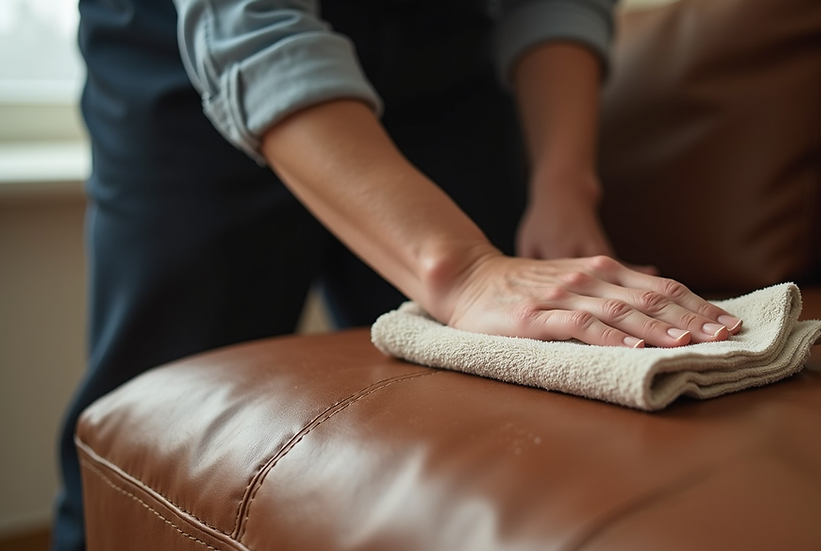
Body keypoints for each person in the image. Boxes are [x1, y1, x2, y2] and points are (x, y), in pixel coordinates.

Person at [53, 0, 743, 548]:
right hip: (193, 53)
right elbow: (255, 30)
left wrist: (563, 185)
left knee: (481, 418)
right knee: (156, 417)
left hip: (442, 48)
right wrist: (466, 270)